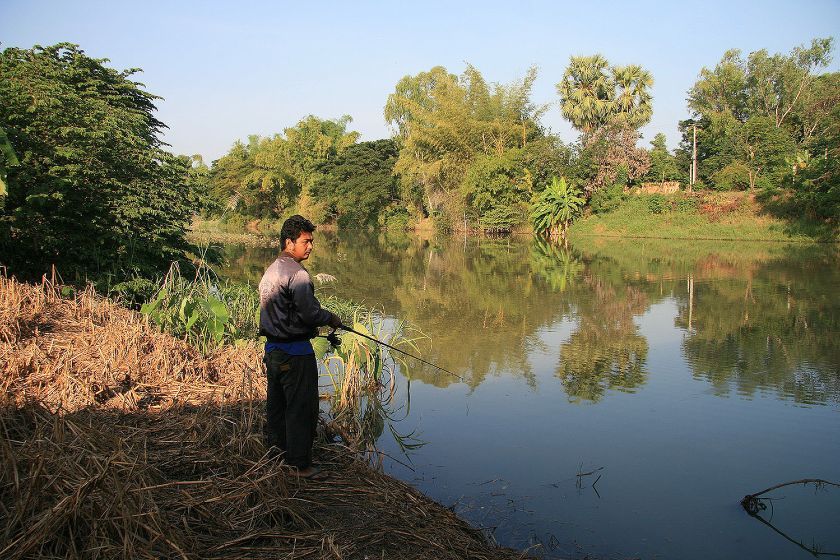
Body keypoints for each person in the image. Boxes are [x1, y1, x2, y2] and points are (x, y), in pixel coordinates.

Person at [258, 215, 341, 478]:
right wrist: (331, 318)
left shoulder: (271, 271)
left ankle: (277, 455)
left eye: (311, 241)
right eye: (306, 241)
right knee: (301, 408)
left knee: (277, 406)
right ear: (289, 241)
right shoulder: (298, 274)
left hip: (273, 351)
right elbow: (310, 314)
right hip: (295, 353)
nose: (310, 246)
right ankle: (300, 466)